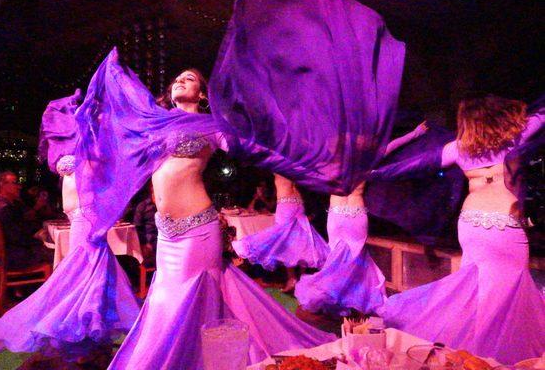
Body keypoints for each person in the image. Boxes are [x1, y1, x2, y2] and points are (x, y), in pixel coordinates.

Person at [95, 64, 335, 369]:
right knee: (165, 300)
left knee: (188, 301)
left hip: (198, 228)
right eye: (177, 78)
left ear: (202, 94)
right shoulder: (157, 123)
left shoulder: (212, 126)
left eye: (190, 78)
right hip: (166, 233)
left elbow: (249, 147)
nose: (181, 80)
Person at [378, 95, 544, 364]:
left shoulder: (459, 148)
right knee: (505, 294)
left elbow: (412, 166)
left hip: (470, 226)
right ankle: (492, 357)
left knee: (474, 292)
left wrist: (372, 174)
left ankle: (474, 356)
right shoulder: (518, 136)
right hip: (503, 227)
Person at [0, 91, 140, 364]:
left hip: (89, 211)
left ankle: (87, 335)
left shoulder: (96, 140)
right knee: (86, 267)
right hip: (76, 214)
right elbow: (55, 112)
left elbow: (109, 169)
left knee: (88, 265)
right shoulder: (66, 138)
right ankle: (88, 336)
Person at [295, 122, 429, 316]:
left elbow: (304, 150)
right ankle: (349, 300)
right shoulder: (365, 160)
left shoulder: (331, 160)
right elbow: (392, 146)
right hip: (354, 214)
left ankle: (339, 299)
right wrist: (415, 133)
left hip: (338, 214)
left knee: (338, 259)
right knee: (355, 259)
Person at [233, 174, 330, 293]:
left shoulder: (280, 162)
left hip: (287, 204)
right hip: (298, 203)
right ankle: (300, 279)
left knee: (287, 241)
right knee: (300, 239)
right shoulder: (294, 165)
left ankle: (293, 279)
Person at [0, 171, 52, 270]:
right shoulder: (4, 208)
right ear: (2, 184)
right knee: (57, 252)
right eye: (15, 183)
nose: (19, 187)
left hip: (2, 253)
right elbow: (17, 236)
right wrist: (41, 240)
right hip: (13, 256)